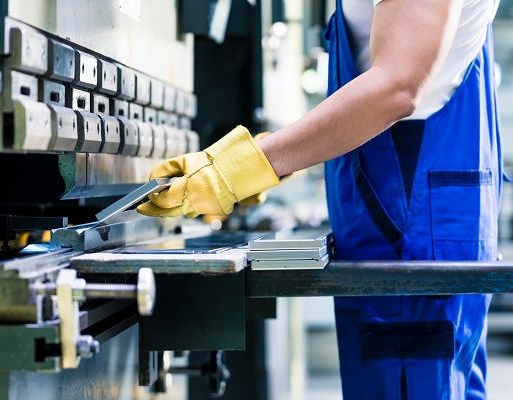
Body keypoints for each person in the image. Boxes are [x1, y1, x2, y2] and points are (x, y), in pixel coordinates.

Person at [138, 0, 502, 398]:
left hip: (410, 222)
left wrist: (239, 169)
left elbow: (397, 88)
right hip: (405, 218)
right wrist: (273, 159)